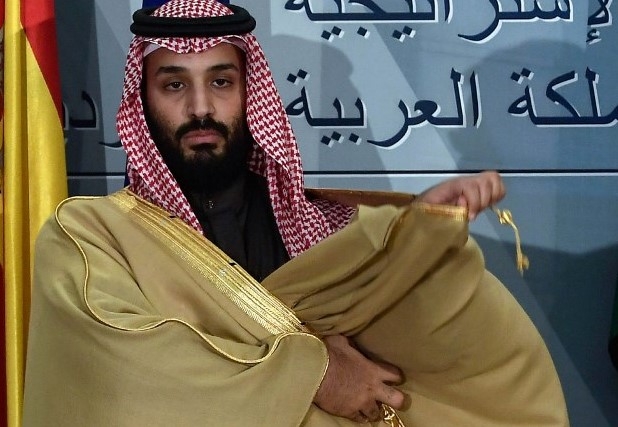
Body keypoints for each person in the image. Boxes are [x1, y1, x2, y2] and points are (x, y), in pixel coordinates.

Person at [22, 1, 568, 426]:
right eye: (173, 85)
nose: (201, 108)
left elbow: (391, 305)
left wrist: (417, 234)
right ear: (141, 102)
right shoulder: (91, 238)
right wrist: (313, 373)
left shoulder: (320, 226)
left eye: (221, 81)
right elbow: (126, 377)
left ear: (249, 91)